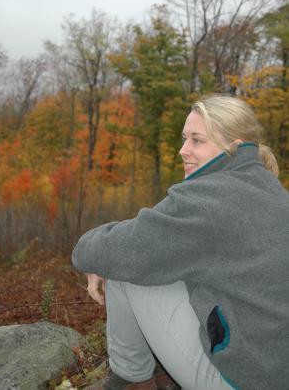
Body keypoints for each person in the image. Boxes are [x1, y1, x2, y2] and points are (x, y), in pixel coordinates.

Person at [72, 94, 289, 390]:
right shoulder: (271, 189)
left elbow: (120, 251)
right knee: (149, 260)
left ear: (233, 146)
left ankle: (131, 381)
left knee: (125, 272)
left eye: (197, 140)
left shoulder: (206, 201)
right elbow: (152, 239)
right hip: (274, 367)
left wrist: (91, 253)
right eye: (185, 139)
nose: (182, 150)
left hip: (242, 380)